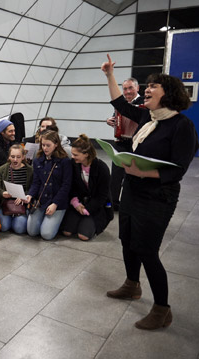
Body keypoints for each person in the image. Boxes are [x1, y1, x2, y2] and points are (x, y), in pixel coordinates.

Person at [101, 54, 198, 330]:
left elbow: (178, 169)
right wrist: (109, 75)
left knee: (147, 250)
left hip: (158, 197)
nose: (146, 89)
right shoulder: (147, 116)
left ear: (169, 95)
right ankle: (132, 285)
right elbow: (119, 103)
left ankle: (162, 309)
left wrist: (143, 172)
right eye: (147, 86)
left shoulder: (182, 126)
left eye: (153, 87)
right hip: (133, 189)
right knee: (127, 239)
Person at [61, 134, 112, 241]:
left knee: (83, 236)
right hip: (79, 203)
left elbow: (102, 196)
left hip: (97, 206)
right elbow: (72, 187)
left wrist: (87, 209)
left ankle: (88, 222)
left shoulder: (102, 168)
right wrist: (76, 204)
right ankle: (79, 221)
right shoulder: (74, 165)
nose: (72, 156)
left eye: (75, 154)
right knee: (66, 232)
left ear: (86, 154)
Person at [25, 130, 72, 240]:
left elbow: (66, 185)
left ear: (56, 145)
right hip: (41, 200)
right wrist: (30, 195)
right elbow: (36, 182)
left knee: (46, 234)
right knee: (32, 232)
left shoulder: (64, 161)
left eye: (48, 145)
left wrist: (55, 204)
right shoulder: (38, 160)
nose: (45, 148)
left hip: (57, 201)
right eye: (43, 145)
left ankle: (59, 220)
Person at [106, 78, 144, 211]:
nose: (127, 92)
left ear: (137, 88)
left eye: (130, 88)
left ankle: (131, 204)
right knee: (115, 175)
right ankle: (112, 203)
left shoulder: (144, 103)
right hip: (121, 142)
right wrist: (109, 121)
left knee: (133, 176)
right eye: (125, 89)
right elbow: (116, 118)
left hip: (137, 145)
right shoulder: (121, 103)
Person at [0, 144, 33, 234]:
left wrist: (24, 195)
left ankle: (16, 219)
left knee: (19, 229)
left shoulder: (30, 170)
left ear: (23, 157)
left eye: (18, 157)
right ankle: (11, 218)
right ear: (9, 157)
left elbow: (33, 187)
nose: (15, 160)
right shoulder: (2, 169)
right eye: (12, 157)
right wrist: (2, 192)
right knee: (3, 227)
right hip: (7, 202)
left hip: (22, 202)